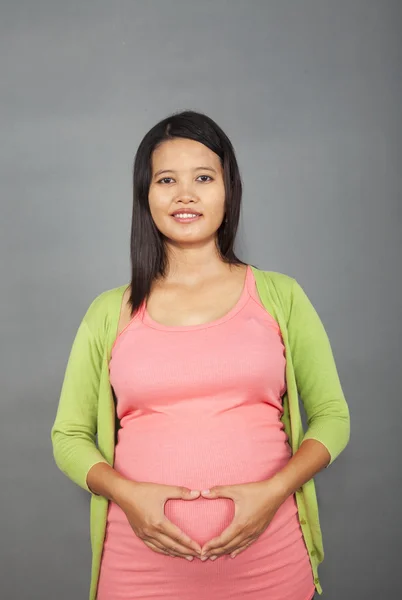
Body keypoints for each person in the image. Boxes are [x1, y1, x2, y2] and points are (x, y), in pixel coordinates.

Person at [51, 110, 350, 600]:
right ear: (145, 195)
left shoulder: (281, 297)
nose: (185, 194)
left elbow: (333, 418)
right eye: (167, 179)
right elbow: (69, 436)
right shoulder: (108, 313)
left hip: (269, 563)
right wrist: (127, 494)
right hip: (138, 568)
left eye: (204, 178)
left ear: (229, 190)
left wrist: (272, 492)